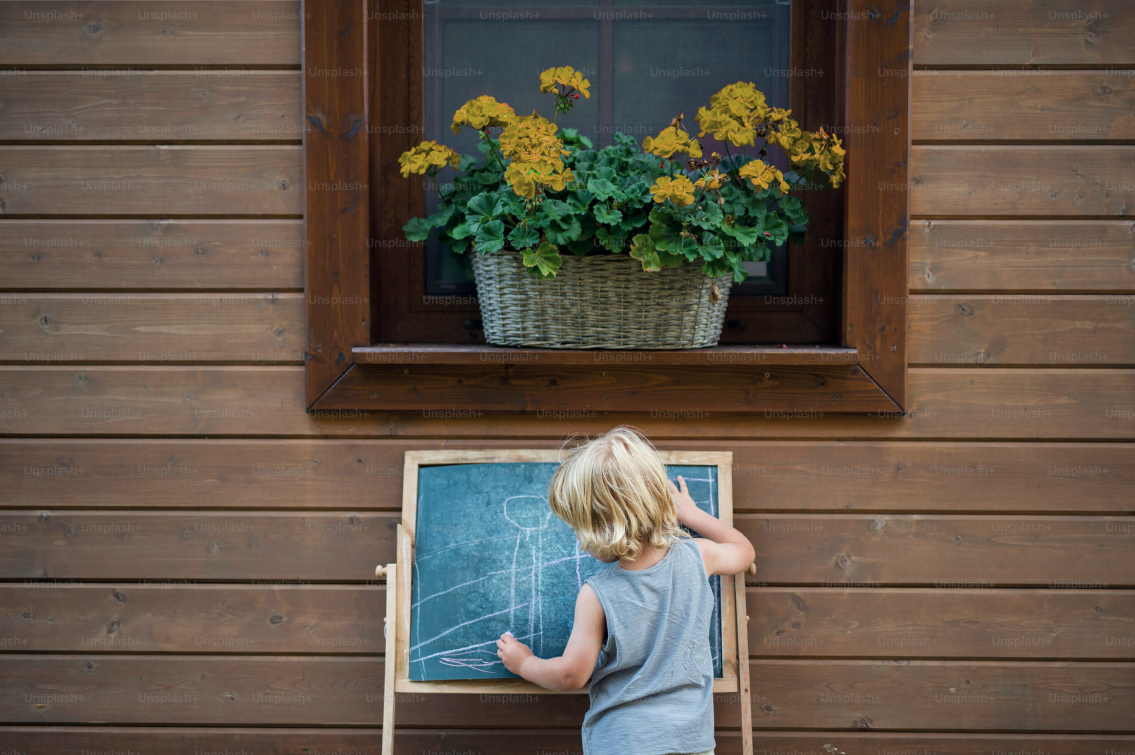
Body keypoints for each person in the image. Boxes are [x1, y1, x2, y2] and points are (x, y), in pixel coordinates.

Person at [496, 426, 755, 755]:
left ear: (607, 527)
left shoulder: (596, 594)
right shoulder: (699, 556)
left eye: (580, 528)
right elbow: (744, 552)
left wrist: (524, 663)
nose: (577, 540)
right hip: (691, 741)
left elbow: (571, 675)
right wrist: (691, 513)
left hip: (624, 742)